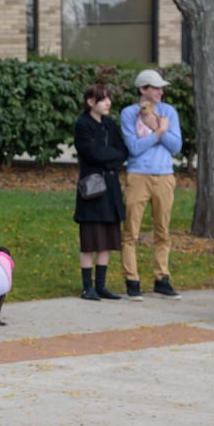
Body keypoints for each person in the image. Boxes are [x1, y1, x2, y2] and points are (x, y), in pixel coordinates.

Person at [118, 68, 184, 300]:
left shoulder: (168, 112)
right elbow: (133, 148)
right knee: (130, 232)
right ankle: (132, 280)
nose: (160, 92)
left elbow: (176, 146)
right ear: (142, 89)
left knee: (162, 231)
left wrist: (157, 128)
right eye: (155, 88)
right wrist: (159, 133)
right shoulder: (128, 114)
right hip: (138, 175)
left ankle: (161, 278)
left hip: (164, 175)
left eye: (161, 88)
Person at [72, 83, 126, 301]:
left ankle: (101, 285)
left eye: (109, 99)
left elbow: (122, 151)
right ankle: (88, 287)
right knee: (90, 239)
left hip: (111, 188)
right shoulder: (83, 125)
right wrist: (109, 157)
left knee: (108, 237)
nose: (108, 103)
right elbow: (91, 153)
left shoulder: (110, 124)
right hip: (92, 188)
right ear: (90, 102)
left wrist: (110, 157)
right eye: (103, 99)